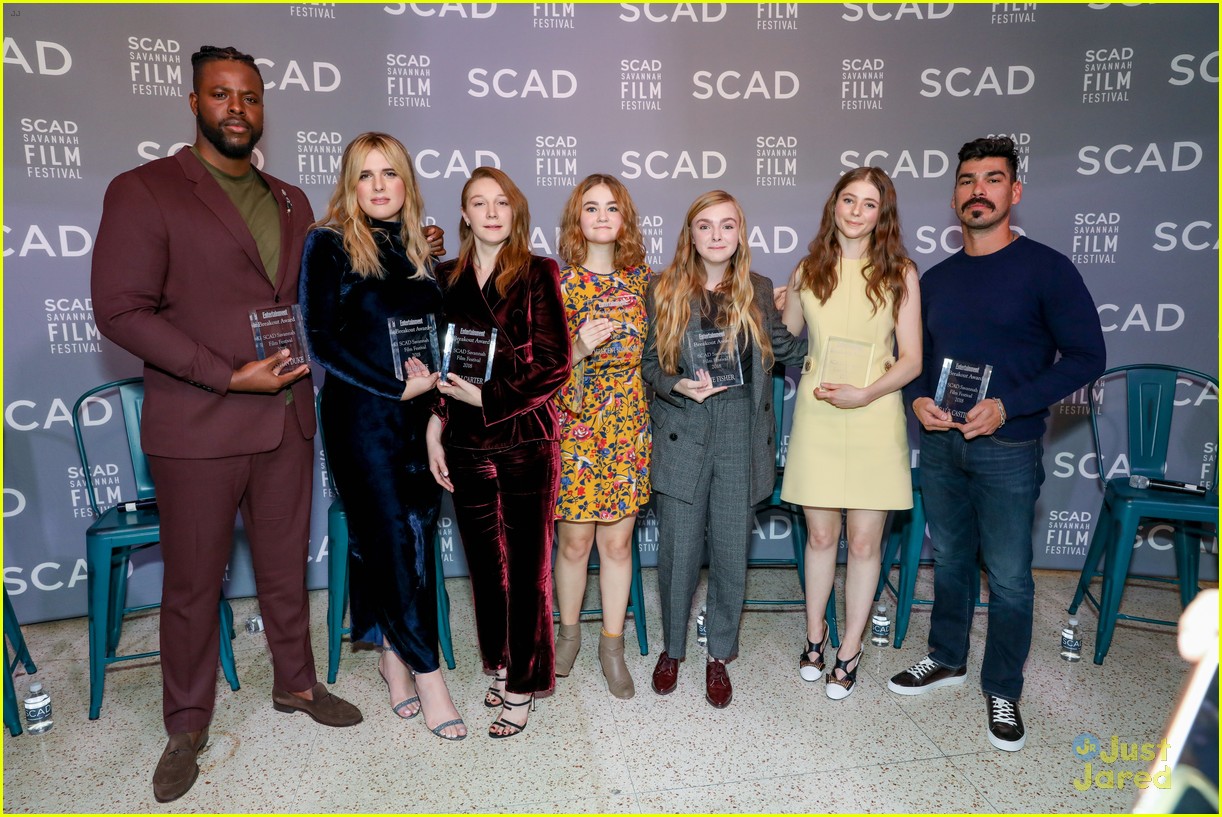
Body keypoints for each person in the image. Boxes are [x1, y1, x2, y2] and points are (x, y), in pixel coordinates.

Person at [91, 46, 362, 803]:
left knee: (284, 570)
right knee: (190, 582)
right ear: (193, 103)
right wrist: (224, 371)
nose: (237, 107)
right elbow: (118, 310)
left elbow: (316, 298)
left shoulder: (292, 201)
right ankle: (186, 721)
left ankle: (296, 685)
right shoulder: (145, 191)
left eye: (249, 96)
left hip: (285, 420)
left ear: (262, 106)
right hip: (200, 424)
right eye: (221, 94)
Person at [886, 136, 1106, 752]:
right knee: (950, 560)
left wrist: (1010, 404)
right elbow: (916, 360)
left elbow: (1089, 356)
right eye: (967, 180)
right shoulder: (937, 277)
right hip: (942, 446)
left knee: (1008, 577)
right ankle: (947, 656)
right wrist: (918, 400)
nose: (977, 190)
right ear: (955, 194)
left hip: (1008, 447)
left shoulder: (1048, 268)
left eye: (992, 179)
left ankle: (1003, 686)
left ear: (1014, 191)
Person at [299, 132, 465, 740]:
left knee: (414, 535)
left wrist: (434, 411)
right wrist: (396, 390)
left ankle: (393, 655)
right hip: (363, 417)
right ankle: (428, 672)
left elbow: (437, 336)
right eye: (365, 175)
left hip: (419, 418)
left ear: (406, 183)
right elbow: (322, 340)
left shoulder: (421, 247)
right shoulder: (328, 244)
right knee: (394, 536)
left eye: (389, 174)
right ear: (350, 183)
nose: (378, 186)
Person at [643, 190, 807, 708]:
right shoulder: (663, 288)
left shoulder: (757, 289)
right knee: (678, 555)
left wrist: (795, 297)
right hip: (683, 431)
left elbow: (789, 350)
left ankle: (720, 655)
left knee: (733, 556)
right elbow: (649, 364)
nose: (717, 235)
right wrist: (676, 386)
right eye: (706, 226)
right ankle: (672, 649)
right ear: (690, 235)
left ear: (741, 234)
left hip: (739, 432)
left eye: (727, 226)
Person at [426, 167, 571, 738]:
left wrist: (487, 395)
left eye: (501, 202)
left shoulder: (538, 272)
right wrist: (436, 423)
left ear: (516, 212)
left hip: (523, 437)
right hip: (463, 439)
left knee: (528, 567)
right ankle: (503, 661)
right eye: (478, 203)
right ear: (463, 215)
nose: (491, 212)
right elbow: (440, 365)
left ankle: (524, 684)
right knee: (485, 567)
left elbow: (555, 363)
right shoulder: (445, 277)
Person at [781, 166, 921, 699]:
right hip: (817, 415)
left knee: (864, 543)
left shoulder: (901, 273)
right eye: (848, 199)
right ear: (833, 204)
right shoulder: (807, 269)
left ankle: (850, 650)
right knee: (821, 536)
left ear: (882, 213)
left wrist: (866, 393)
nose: (856, 211)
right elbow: (788, 340)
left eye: (869, 203)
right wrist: (768, 305)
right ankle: (815, 638)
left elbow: (912, 360)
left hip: (875, 413)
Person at [551, 174, 652, 699]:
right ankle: (567, 636)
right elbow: (540, 369)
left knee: (617, 544)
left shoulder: (644, 283)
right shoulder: (558, 285)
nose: (601, 216)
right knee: (574, 544)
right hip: (575, 427)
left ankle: (611, 645)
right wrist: (579, 348)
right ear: (578, 220)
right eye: (591, 208)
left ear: (624, 219)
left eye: (612, 208)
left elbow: (663, 356)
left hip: (627, 427)